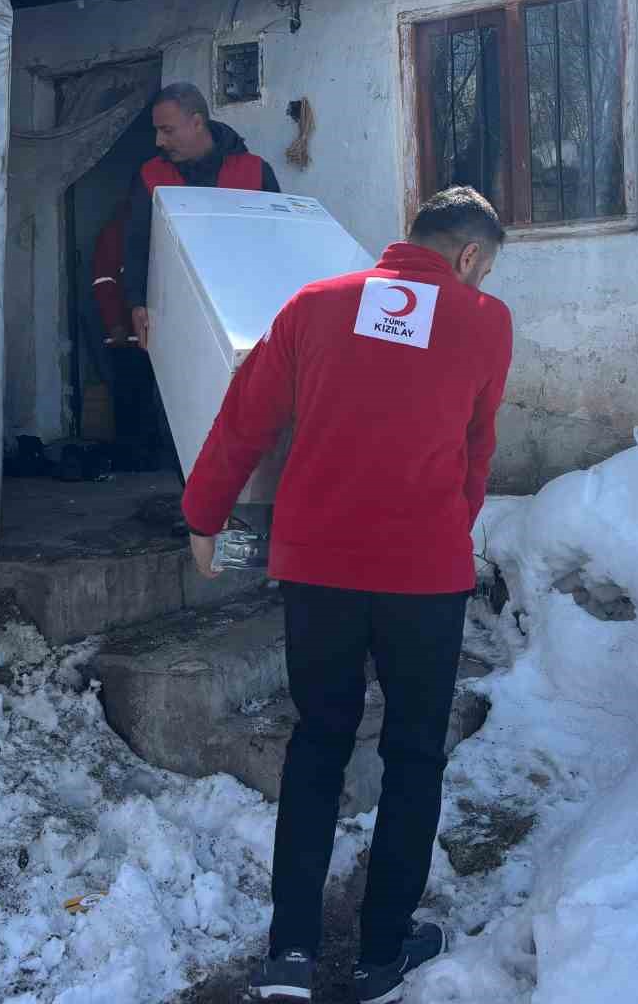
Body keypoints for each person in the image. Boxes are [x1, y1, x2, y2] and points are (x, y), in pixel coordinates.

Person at [179, 187, 513, 1004]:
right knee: (412, 754)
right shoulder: (484, 321)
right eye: (484, 268)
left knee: (319, 742)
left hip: (318, 569)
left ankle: (289, 952)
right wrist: (445, 526)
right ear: (468, 258)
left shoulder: (315, 305)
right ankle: (380, 952)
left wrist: (203, 514)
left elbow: (243, 417)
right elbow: (477, 450)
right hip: (424, 579)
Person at [122, 82, 281, 349]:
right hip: (174, 319)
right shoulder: (151, 176)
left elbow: (277, 245)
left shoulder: (254, 171)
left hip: (246, 318)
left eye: (167, 130)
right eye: (157, 131)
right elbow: (136, 245)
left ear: (197, 123)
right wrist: (136, 302)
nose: (159, 141)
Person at [90, 201, 162, 473]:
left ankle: (153, 454)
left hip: (163, 333)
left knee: (155, 397)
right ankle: (134, 457)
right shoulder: (116, 232)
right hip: (129, 336)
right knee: (132, 394)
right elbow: (104, 282)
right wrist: (115, 325)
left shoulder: (166, 231)